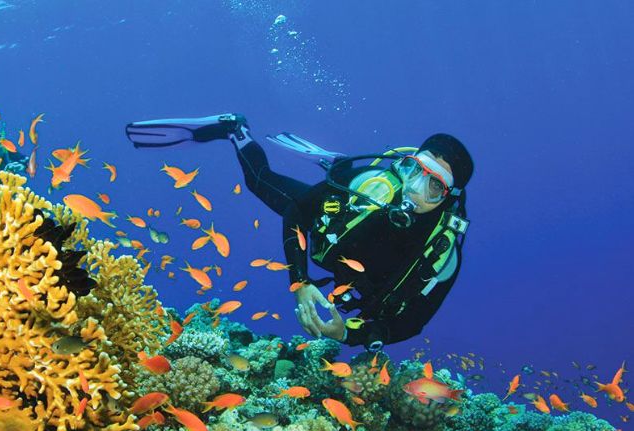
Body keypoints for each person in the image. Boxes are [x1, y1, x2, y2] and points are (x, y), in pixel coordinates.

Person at [125, 114, 474, 352]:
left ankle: (337, 163)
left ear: (448, 197)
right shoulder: (371, 186)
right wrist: (300, 281)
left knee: (328, 190)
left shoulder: (441, 255)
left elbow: (412, 323)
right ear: (403, 163)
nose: (413, 189)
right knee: (259, 182)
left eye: (432, 187)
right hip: (332, 222)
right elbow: (297, 212)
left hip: (348, 269)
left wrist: (347, 334)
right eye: (412, 170)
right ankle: (235, 129)